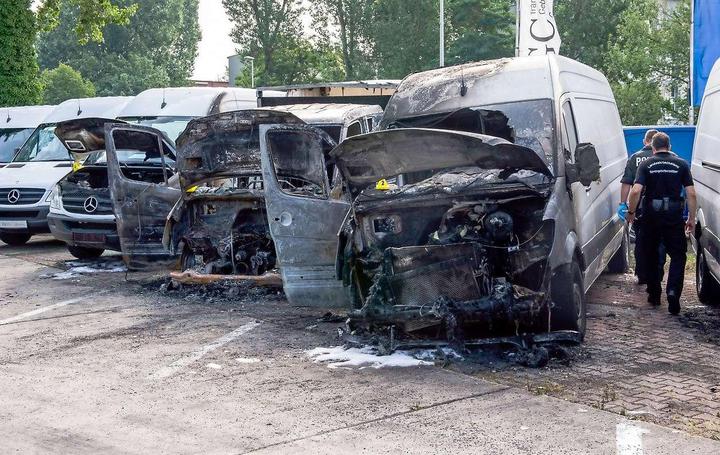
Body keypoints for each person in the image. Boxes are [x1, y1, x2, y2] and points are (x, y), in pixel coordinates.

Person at [627, 132, 696, 314]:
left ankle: (655, 294)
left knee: (650, 253)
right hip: (673, 216)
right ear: (669, 146)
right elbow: (691, 194)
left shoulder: (646, 164)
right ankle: (673, 291)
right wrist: (691, 218)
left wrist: (631, 212)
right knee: (679, 255)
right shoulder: (681, 164)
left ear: (653, 147)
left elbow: (635, 191)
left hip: (651, 216)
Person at [618, 129, 665, 285]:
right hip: (663, 207)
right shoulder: (667, 158)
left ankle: (642, 273)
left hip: (640, 207)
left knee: (641, 239)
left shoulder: (635, 158)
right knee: (660, 240)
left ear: (645, 141)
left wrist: (623, 203)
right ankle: (657, 273)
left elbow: (627, 183)